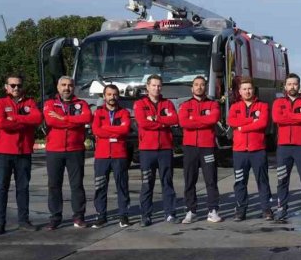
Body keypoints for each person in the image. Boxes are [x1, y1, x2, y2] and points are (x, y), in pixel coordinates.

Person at [0, 73, 41, 234]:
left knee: (23, 188)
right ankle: (0, 223)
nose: (16, 88)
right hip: (3, 152)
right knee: (1, 188)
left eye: (19, 85)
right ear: (6, 87)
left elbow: (37, 118)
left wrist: (15, 118)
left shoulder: (30, 102)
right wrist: (24, 122)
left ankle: (23, 221)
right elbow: (1, 123)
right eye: (12, 85)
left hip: (24, 151)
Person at [43, 76, 92, 229]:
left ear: (74, 87)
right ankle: (55, 217)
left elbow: (87, 117)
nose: (67, 88)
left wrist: (63, 118)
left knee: (77, 185)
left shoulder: (81, 103)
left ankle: (78, 216)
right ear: (58, 87)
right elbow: (51, 121)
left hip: (75, 150)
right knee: (54, 185)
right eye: (63, 85)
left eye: (70, 85)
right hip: (54, 150)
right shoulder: (50, 104)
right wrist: (73, 120)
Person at [134, 74, 179, 226]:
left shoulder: (168, 103)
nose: (156, 88)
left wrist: (155, 119)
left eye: (159, 85)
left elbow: (174, 120)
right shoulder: (140, 104)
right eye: (153, 85)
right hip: (147, 150)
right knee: (147, 184)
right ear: (147, 87)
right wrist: (163, 122)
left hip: (165, 149)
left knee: (167, 182)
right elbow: (142, 123)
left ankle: (170, 213)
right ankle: (146, 216)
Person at [272, 73, 301, 221]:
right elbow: (277, 118)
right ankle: (282, 208)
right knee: (282, 180)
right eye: (289, 84)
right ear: (285, 86)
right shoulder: (278, 103)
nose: (292, 87)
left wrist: (287, 116)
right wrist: (295, 116)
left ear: (299, 85)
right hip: (283, 147)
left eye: (295, 84)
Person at [227, 78, 272, 221]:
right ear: (239, 92)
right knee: (240, 182)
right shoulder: (234, 107)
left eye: (249, 88)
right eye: (244, 89)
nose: (247, 91)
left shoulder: (263, 106)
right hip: (240, 152)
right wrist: (251, 120)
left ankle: (266, 209)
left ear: (254, 90)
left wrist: (242, 127)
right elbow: (231, 121)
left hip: (258, 150)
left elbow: (263, 123)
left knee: (262, 181)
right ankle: (240, 211)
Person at [178, 76, 221, 224]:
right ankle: (191, 210)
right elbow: (184, 122)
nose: (199, 87)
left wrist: (193, 119)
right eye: (196, 85)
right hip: (190, 147)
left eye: (202, 85)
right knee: (190, 179)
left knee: (211, 179)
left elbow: (213, 119)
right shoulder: (185, 105)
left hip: (207, 146)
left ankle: (213, 210)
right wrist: (203, 119)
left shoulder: (213, 104)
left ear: (205, 87)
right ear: (192, 88)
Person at [91, 84, 131, 228]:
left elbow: (125, 129)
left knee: (122, 186)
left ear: (118, 96)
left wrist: (106, 129)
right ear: (104, 96)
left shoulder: (124, 112)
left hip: (119, 154)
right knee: (100, 186)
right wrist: (115, 131)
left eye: (114, 94)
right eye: (109, 94)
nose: (112, 97)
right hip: (102, 155)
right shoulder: (98, 112)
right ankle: (101, 216)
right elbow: (96, 130)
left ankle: (124, 216)